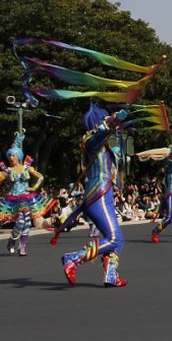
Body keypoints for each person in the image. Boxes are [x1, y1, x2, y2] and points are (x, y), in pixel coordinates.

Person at [60, 105, 128, 287]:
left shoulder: (104, 145)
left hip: (103, 195)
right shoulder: (91, 140)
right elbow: (96, 138)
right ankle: (73, 258)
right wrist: (111, 122)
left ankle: (111, 274)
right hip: (97, 195)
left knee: (116, 238)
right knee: (114, 238)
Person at [0, 130, 54, 256]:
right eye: (9, 156)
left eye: (13, 155)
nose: (11, 158)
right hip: (13, 198)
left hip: (27, 197)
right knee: (20, 222)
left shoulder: (26, 168)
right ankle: (12, 241)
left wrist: (34, 187)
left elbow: (40, 177)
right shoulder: (7, 171)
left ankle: (22, 246)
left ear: (18, 156)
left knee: (27, 222)